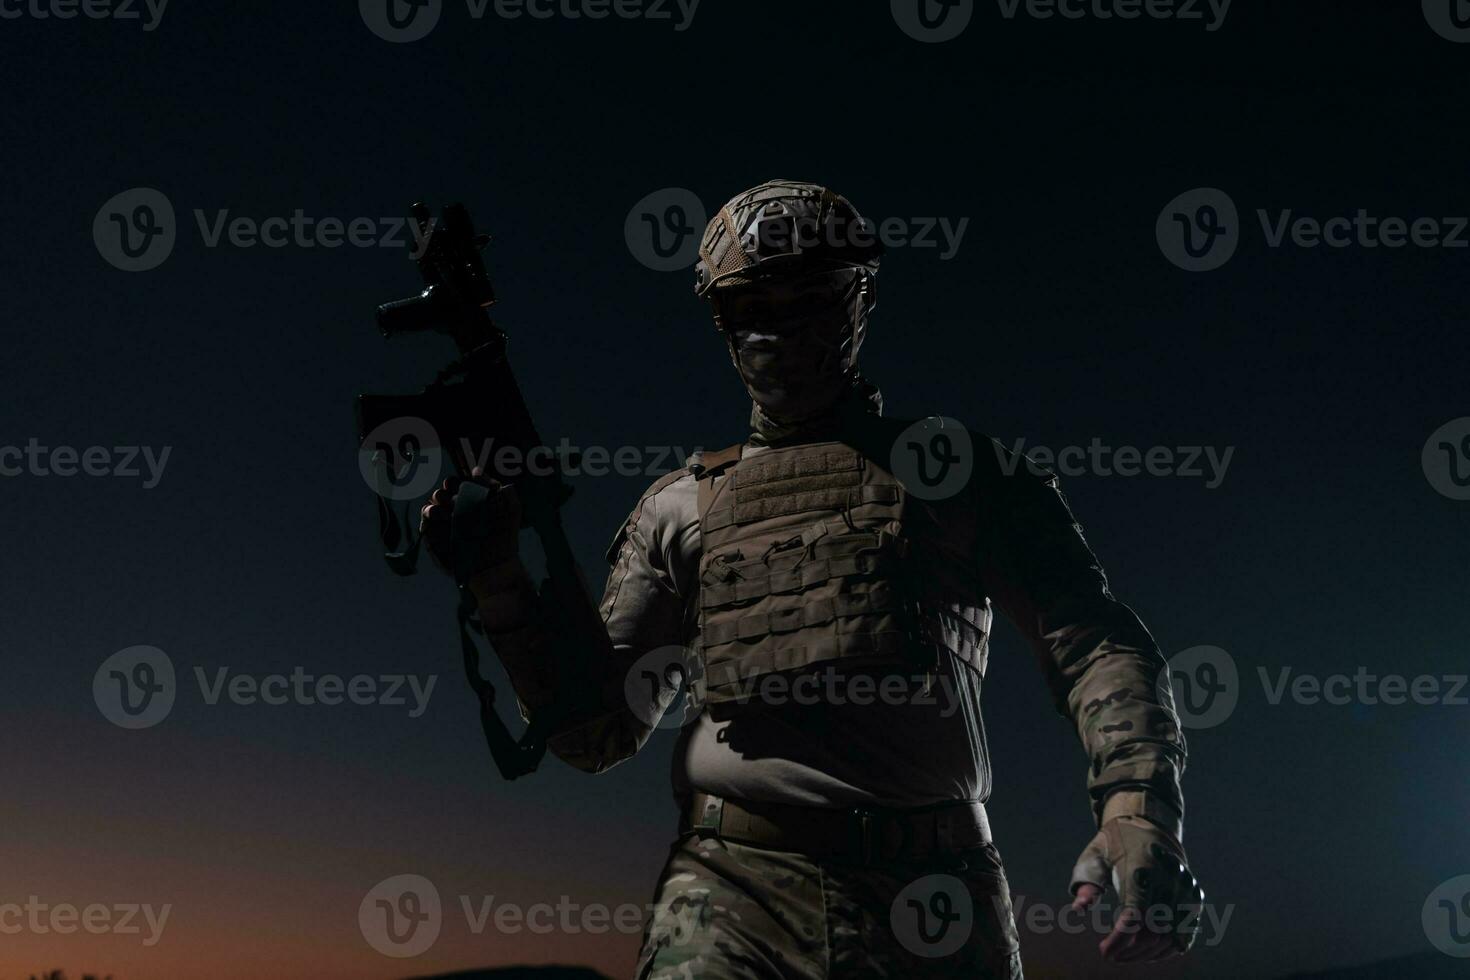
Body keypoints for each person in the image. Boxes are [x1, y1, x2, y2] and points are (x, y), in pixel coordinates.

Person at [420, 180, 1203, 979]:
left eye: (808, 302)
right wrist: (501, 588)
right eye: (754, 306)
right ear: (723, 321)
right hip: (729, 897)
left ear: (857, 302)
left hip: (929, 889)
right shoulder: (679, 506)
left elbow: (1094, 641)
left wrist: (1137, 807)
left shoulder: (959, 476)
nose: (781, 332)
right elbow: (596, 731)